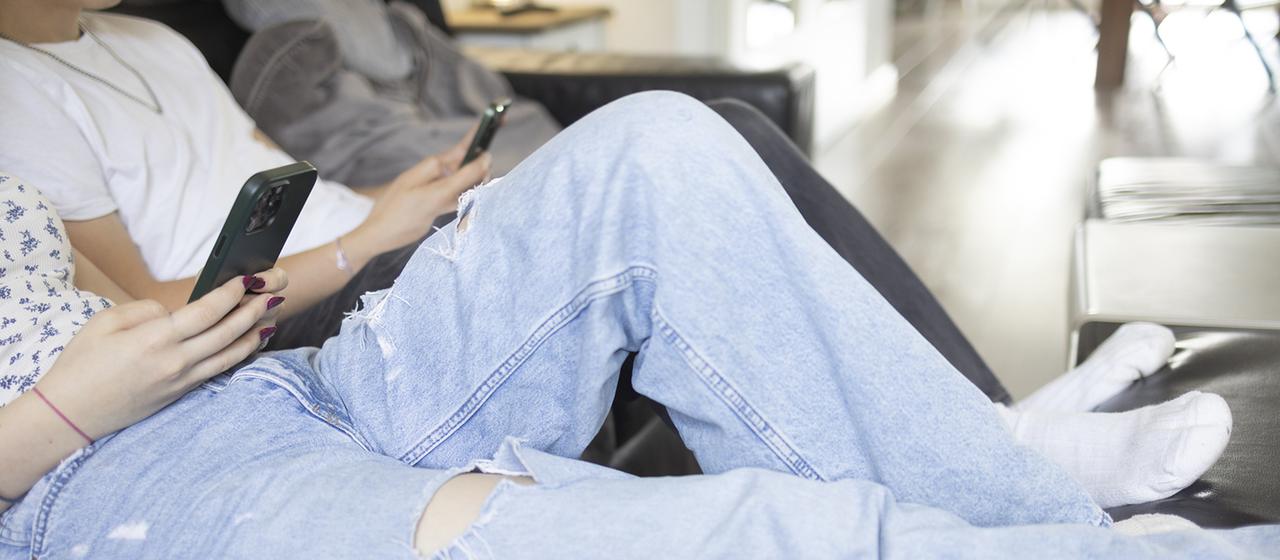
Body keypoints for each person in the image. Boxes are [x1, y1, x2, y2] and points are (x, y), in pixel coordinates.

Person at [0, 1, 1234, 510]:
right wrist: (372, 238)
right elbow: (135, 316)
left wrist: (393, 199)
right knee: (686, 154)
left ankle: (992, 425)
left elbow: (283, 169)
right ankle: (1002, 447)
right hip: (290, 320)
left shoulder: (148, 41)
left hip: (369, 243)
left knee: (707, 136)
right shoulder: (16, 90)